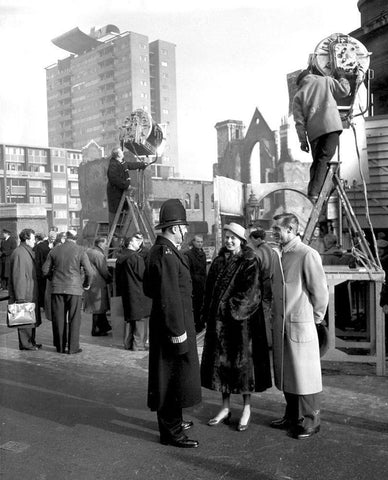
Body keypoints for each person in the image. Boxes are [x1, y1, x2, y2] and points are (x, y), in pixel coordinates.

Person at [201, 222, 272, 432]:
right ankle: (225, 407)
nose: (229, 241)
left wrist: (227, 309)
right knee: (222, 368)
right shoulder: (218, 261)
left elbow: (252, 293)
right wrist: (208, 313)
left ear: (241, 240)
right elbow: (209, 290)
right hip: (220, 324)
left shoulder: (249, 260)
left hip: (241, 324)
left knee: (243, 369)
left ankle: (247, 408)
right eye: (227, 237)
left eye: (234, 238)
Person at [143, 199, 201, 448]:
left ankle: (174, 421)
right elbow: (169, 297)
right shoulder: (167, 254)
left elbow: (149, 288)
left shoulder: (159, 250)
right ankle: (172, 432)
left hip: (170, 324)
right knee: (169, 379)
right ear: (176, 228)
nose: (186, 231)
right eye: (184, 227)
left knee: (174, 378)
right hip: (173, 327)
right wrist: (178, 333)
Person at [270, 213, 329, 439]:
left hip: (301, 324)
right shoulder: (282, 254)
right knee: (289, 373)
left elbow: (320, 293)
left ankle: (311, 421)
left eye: (277, 229)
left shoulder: (307, 254)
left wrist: (314, 318)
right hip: (285, 324)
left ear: (292, 230)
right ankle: (293, 415)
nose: (274, 233)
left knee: (306, 376)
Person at [293, 69, 352, 201]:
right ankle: (315, 193)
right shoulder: (325, 81)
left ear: (300, 82)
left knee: (318, 162)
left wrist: (303, 141)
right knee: (324, 159)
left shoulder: (298, 95)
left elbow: (299, 122)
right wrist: (342, 77)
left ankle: (316, 191)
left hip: (313, 134)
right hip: (331, 128)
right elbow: (344, 91)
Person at [42, 230, 93, 354]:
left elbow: (44, 270)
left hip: (57, 288)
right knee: (75, 318)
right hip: (75, 288)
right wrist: (86, 284)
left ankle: (59, 346)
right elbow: (89, 272)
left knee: (58, 318)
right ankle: (73, 347)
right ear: (76, 238)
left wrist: (52, 278)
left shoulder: (54, 250)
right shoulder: (81, 250)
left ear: (66, 238)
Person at [115, 232, 151, 350]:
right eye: (137, 241)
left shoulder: (120, 257)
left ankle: (128, 343)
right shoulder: (135, 257)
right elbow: (143, 275)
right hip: (138, 292)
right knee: (140, 319)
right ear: (130, 242)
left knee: (130, 319)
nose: (139, 243)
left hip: (127, 292)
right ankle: (138, 345)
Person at [8, 228, 42, 351]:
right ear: (26, 239)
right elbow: (19, 276)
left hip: (30, 291)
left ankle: (30, 342)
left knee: (30, 320)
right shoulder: (20, 253)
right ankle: (26, 343)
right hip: (25, 293)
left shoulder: (25, 251)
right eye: (33, 239)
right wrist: (20, 297)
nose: (35, 241)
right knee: (24, 320)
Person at [106, 147, 148, 230]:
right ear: (118, 155)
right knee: (115, 215)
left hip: (121, 193)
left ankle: (118, 234)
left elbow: (130, 165)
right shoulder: (113, 165)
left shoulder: (121, 163)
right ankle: (113, 235)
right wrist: (126, 185)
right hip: (115, 194)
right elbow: (114, 178)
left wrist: (142, 164)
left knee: (123, 212)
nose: (123, 152)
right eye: (121, 152)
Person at [248, 228, 275, 346]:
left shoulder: (259, 252)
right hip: (271, 282)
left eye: (252, 240)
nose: (252, 243)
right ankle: (270, 340)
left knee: (263, 311)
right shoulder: (271, 249)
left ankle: (266, 340)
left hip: (263, 283)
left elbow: (255, 270)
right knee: (269, 309)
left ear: (258, 239)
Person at [84, 237, 112, 337]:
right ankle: (96, 329)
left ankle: (104, 327)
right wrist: (110, 278)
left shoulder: (88, 251)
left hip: (91, 282)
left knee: (97, 307)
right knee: (99, 307)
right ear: (100, 244)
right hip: (98, 283)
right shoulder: (98, 254)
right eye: (105, 244)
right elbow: (103, 270)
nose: (106, 246)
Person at [183, 234, 207, 333]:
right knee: (195, 306)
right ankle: (195, 326)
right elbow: (188, 271)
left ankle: (200, 324)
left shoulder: (203, 254)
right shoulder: (188, 254)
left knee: (201, 305)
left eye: (201, 242)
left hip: (202, 284)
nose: (200, 244)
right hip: (194, 284)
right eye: (198, 242)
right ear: (193, 242)